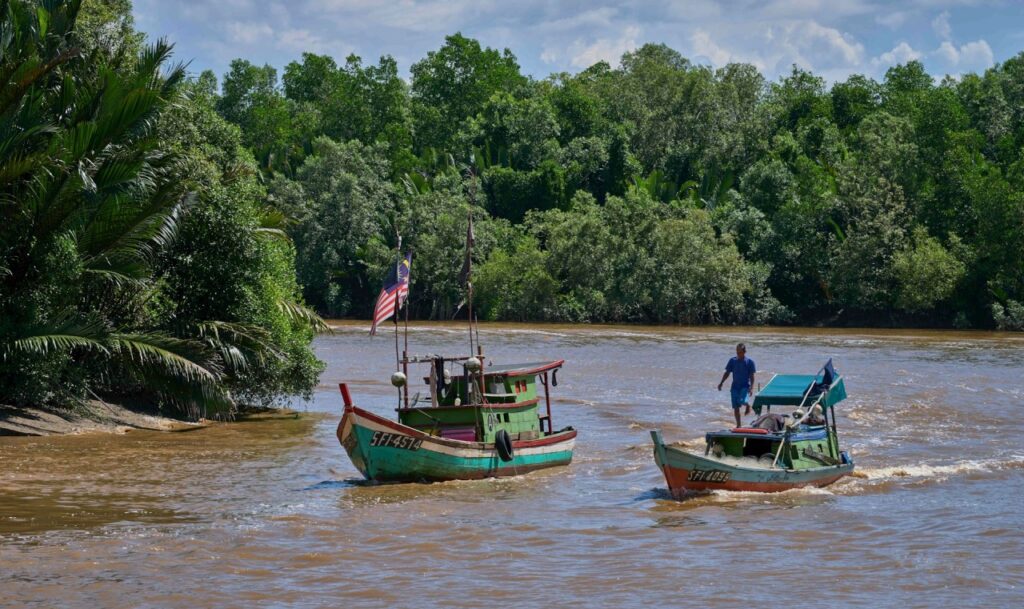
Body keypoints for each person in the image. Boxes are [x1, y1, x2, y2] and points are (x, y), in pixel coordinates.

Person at [718, 343, 756, 427]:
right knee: (736, 407)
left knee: (742, 401)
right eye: (737, 352)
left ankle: (748, 406)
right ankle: (738, 425)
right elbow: (727, 373)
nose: (738, 354)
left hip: (745, 386)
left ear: (744, 352)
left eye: (740, 352)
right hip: (735, 387)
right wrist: (721, 383)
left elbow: (752, 376)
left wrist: (752, 388)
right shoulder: (732, 361)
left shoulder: (750, 362)